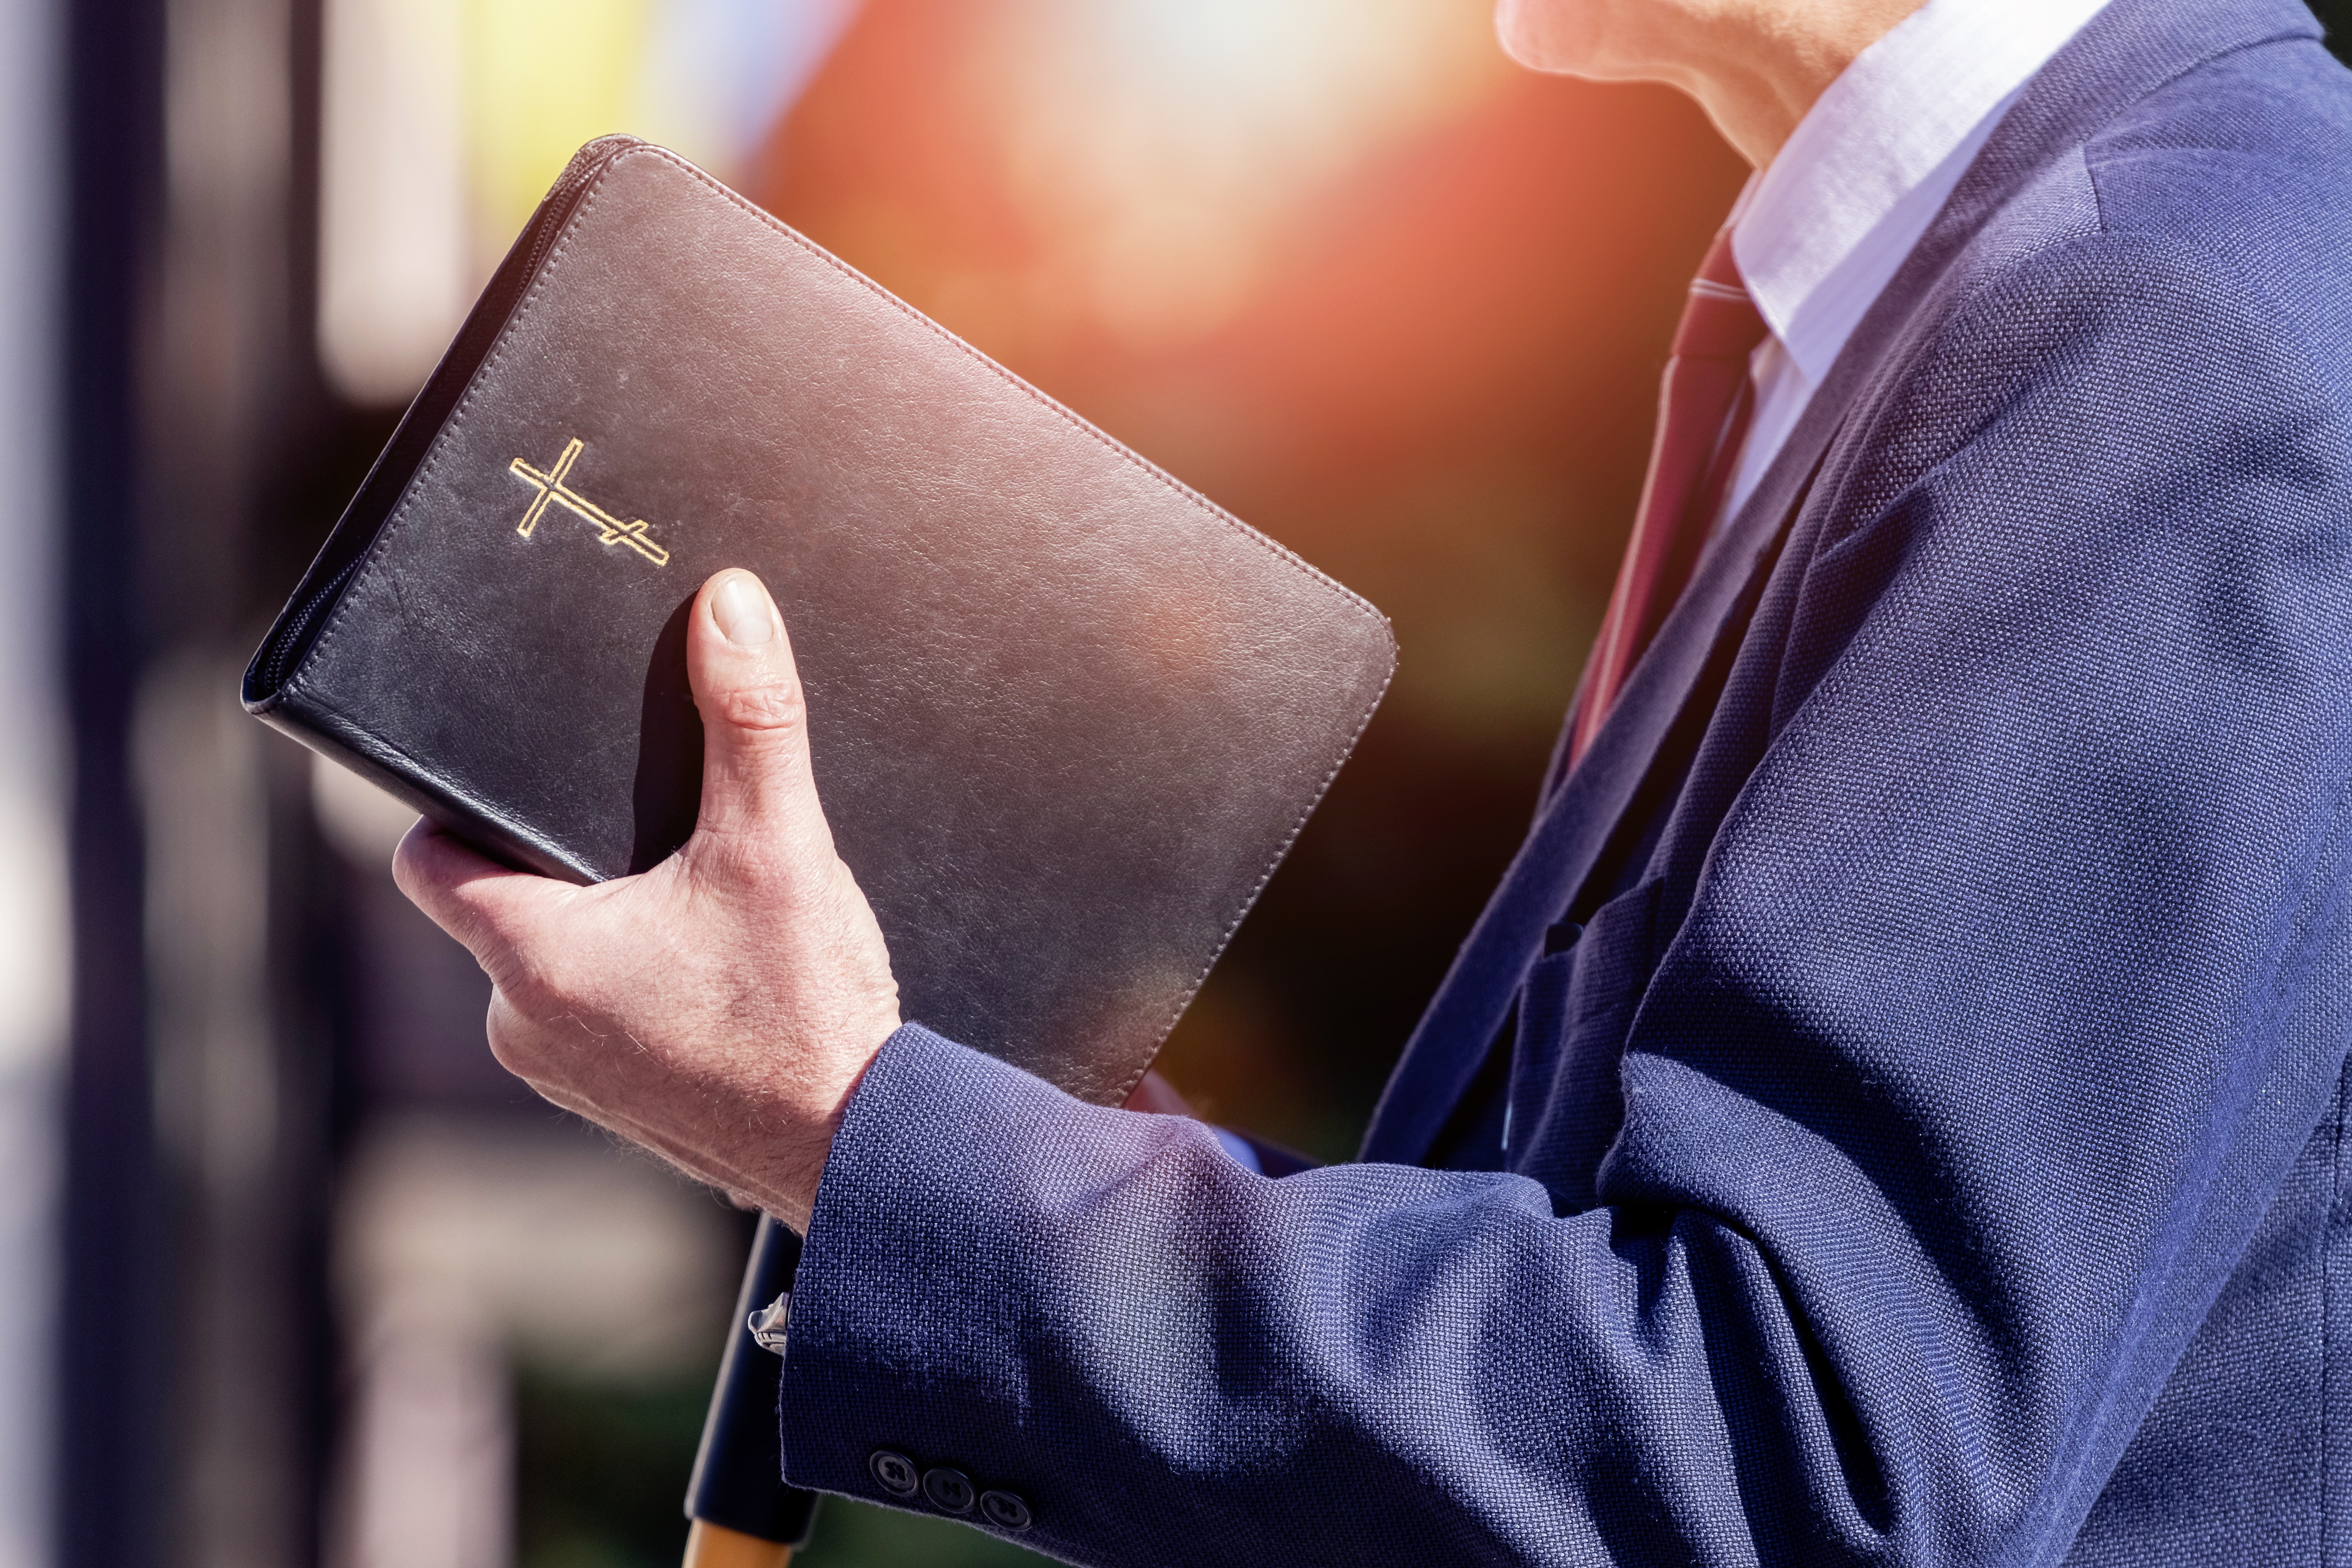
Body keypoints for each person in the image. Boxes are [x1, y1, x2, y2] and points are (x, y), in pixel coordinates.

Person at [395, 0, 2352, 1558]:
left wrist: (858, 1133)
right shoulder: (1986, 288)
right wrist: (1041, 1154)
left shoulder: (2153, 325)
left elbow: (1781, 1467)